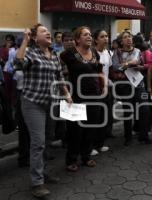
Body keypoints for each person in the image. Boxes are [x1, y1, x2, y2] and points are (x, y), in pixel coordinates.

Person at [15, 24, 71, 198]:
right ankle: (37, 183)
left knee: (48, 140)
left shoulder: (54, 54)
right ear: (34, 37)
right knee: (38, 143)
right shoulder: (31, 53)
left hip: (50, 103)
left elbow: (60, 77)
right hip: (33, 103)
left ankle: (44, 172)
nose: (48, 33)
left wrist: (67, 95)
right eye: (43, 31)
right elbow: (18, 64)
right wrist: (24, 41)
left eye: (48, 31)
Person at [60, 26, 105, 172]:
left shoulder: (95, 54)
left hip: (94, 96)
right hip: (75, 97)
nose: (89, 37)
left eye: (90, 34)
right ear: (77, 39)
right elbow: (58, 68)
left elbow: (99, 71)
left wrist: (104, 87)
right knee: (75, 130)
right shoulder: (69, 54)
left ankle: (86, 156)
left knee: (91, 128)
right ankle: (71, 159)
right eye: (85, 34)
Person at [111, 30, 152, 146]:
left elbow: (141, 64)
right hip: (125, 85)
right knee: (128, 111)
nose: (128, 39)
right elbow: (115, 67)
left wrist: (135, 66)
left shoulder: (137, 51)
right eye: (125, 37)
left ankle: (143, 136)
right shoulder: (117, 53)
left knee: (144, 109)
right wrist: (129, 64)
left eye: (129, 37)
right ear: (121, 41)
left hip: (139, 84)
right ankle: (128, 137)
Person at [91, 29, 113, 155]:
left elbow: (109, 70)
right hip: (95, 89)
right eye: (102, 36)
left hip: (106, 89)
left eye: (106, 36)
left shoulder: (108, 53)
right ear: (96, 39)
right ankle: (91, 145)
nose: (106, 38)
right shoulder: (92, 53)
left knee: (105, 117)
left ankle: (100, 144)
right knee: (95, 118)